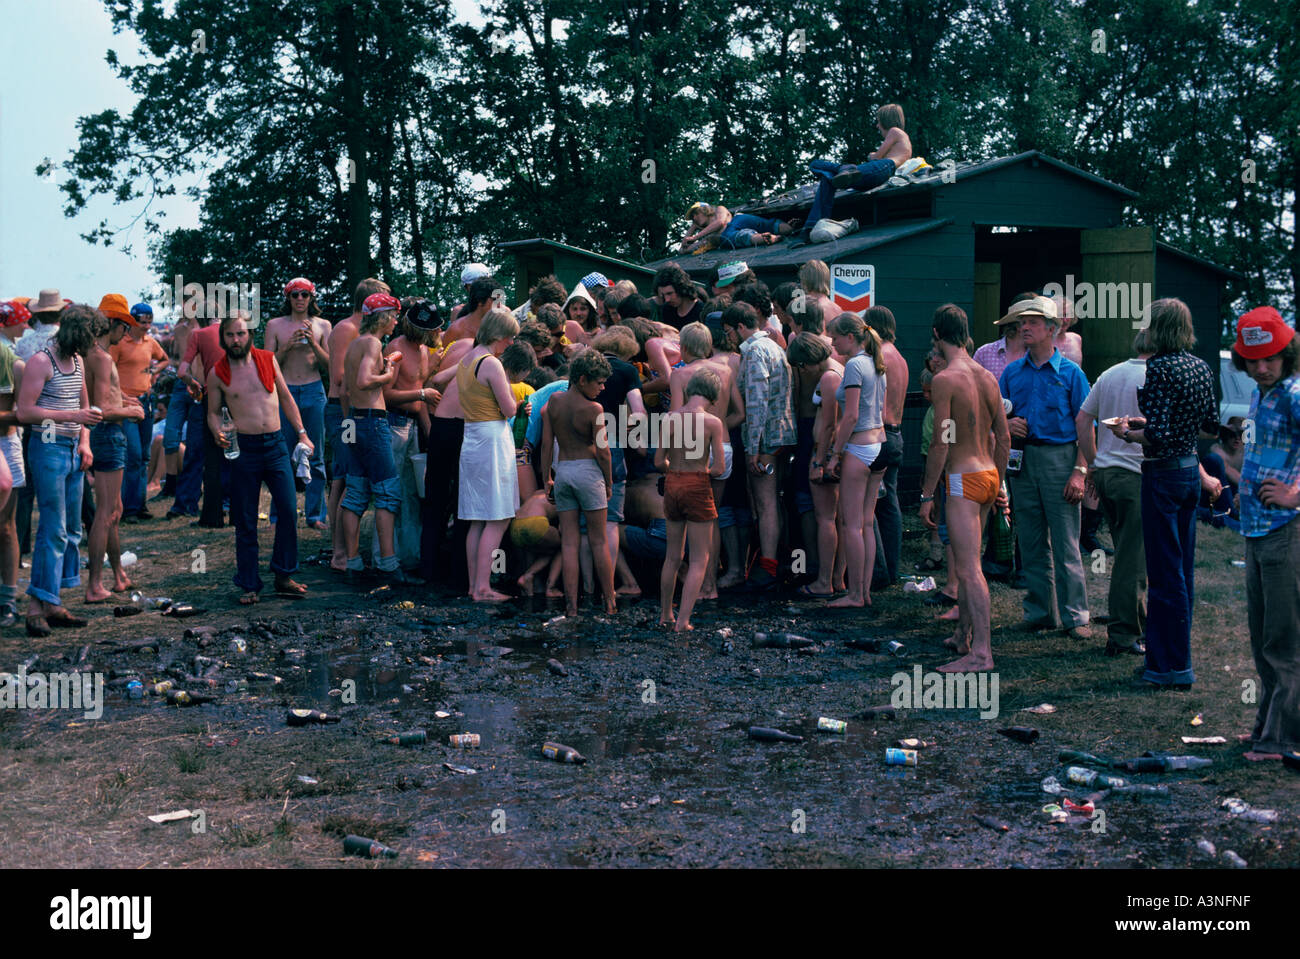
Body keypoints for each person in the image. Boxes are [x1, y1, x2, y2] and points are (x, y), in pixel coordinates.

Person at [1108, 298, 1219, 689]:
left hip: (1162, 477)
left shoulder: (1158, 368)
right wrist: (1153, 424)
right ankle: (1173, 659)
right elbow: (1209, 425)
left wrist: (1127, 433)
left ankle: (1167, 668)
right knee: (1182, 572)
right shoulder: (1200, 366)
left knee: (1163, 574)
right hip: (1190, 472)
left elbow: (1155, 436)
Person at [918, 303, 1009, 672]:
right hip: (987, 474)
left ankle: (982, 653)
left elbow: (941, 442)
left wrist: (926, 495)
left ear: (937, 335)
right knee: (971, 562)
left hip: (963, 478)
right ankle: (963, 636)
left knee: (969, 569)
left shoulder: (944, 380)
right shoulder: (987, 376)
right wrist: (1000, 483)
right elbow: (1002, 437)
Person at [1227, 306, 1300, 760]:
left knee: (1284, 638)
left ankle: (1284, 738)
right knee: (1263, 633)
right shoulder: (1261, 395)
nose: (1262, 366)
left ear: (1287, 353)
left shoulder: (1293, 393)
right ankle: (1266, 727)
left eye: (1270, 357)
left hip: (1285, 530)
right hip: (1256, 529)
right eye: (1253, 359)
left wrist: (1296, 495)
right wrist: (1243, 494)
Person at [999, 295, 1093, 639]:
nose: (1024, 327)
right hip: (1023, 463)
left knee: (1067, 542)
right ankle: (1040, 613)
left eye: (1033, 323)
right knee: (1032, 541)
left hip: (1060, 459)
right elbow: (999, 417)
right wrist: (1007, 426)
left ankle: (1076, 617)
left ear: (1052, 330)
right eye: (1021, 323)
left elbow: (1087, 427)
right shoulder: (1011, 373)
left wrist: (1080, 472)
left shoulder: (1072, 375)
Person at [206, 312, 312, 604]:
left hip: (276, 445)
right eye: (230, 335)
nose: (236, 339)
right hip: (244, 449)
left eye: (241, 333)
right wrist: (217, 431)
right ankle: (249, 584)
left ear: (249, 334)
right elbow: (213, 412)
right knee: (246, 519)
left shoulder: (267, 359)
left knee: (289, 511)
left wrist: (302, 433)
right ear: (223, 338)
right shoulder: (217, 372)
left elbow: (287, 397)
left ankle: (284, 574)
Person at [18, 304, 100, 637]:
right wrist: (74, 421)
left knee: (69, 529)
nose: (92, 345)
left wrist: (85, 442)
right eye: (89, 337)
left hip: (70, 448)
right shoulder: (42, 361)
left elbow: (84, 406)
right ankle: (36, 608)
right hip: (48, 447)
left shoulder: (77, 362)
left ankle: (51, 601)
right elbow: (25, 411)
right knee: (52, 529)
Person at [1076, 329, 1152, 657]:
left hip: (1107, 474)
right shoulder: (1156, 375)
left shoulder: (1110, 373)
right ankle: (1122, 634)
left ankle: (1134, 622)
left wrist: (1094, 462)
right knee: (1133, 561)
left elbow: (1082, 419)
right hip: (1135, 473)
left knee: (1127, 554)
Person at [339, 293, 419, 583]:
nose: (397, 321)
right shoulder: (373, 343)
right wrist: (387, 375)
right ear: (383, 316)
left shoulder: (353, 346)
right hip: (373, 422)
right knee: (387, 493)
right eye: (394, 315)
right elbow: (362, 381)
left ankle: (352, 562)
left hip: (354, 421)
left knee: (356, 493)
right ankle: (389, 565)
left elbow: (346, 389)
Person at [722, 302, 794, 589]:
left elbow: (756, 403)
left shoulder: (753, 352)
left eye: (728, 331)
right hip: (781, 434)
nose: (728, 337)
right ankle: (777, 561)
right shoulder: (775, 346)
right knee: (774, 502)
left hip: (765, 439)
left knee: (765, 503)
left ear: (740, 326)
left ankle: (768, 566)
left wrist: (752, 448)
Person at [670, 321, 741, 600]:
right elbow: (740, 413)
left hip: (693, 450)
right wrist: (719, 427)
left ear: (684, 346)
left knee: (693, 520)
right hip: (723, 445)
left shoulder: (680, 375)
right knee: (712, 517)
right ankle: (710, 583)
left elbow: (676, 419)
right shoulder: (725, 371)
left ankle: (705, 586)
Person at [542, 348, 615, 617]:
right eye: (599, 382)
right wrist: (608, 482)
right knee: (599, 541)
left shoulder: (555, 401)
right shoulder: (593, 408)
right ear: (583, 379)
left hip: (563, 472)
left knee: (569, 542)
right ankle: (610, 603)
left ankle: (571, 607)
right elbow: (604, 451)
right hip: (588, 473)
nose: (602, 387)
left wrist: (546, 478)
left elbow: (547, 444)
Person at [457, 307, 522, 602]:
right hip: (492, 438)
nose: (510, 343)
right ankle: (483, 587)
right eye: (509, 337)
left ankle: (474, 585)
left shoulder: (466, 360)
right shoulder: (491, 363)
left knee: (477, 518)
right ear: (498, 334)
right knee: (497, 517)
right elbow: (509, 409)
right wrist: (518, 401)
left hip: (471, 435)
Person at [85, 296, 146, 603]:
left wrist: (124, 400)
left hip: (106, 437)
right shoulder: (102, 357)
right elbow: (99, 409)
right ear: (111, 323)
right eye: (124, 326)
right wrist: (130, 412)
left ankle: (118, 575)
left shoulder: (92, 354)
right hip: (108, 435)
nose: (126, 334)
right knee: (105, 514)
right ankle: (95, 585)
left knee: (115, 511)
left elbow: (104, 396)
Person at [656, 367, 727, 632]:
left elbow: (657, 461)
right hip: (697, 485)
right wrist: (703, 471)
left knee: (673, 555)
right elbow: (719, 467)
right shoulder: (712, 423)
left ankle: (666, 614)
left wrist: (673, 466)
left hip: (673, 482)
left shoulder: (670, 418)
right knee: (699, 559)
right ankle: (683, 620)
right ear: (713, 396)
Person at [326, 278, 390, 568]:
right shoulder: (347, 330)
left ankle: (346, 553)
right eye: (386, 301)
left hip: (354, 410)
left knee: (350, 480)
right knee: (343, 481)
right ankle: (340, 553)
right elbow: (341, 381)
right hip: (345, 411)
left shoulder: (364, 336)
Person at [825, 312, 888, 608]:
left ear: (850, 337)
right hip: (880, 445)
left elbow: (849, 416)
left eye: (835, 337)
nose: (833, 342)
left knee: (851, 524)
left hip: (860, 447)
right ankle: (864, 592)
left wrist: (835, 454)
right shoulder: (877, 363)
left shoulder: (853, 365)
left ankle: (854, 594)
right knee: (865, 522)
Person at [378, 299, 443, 570]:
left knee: (414, 494)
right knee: (391, 492)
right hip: (394, 424)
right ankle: (385, 559)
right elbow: (384, 394)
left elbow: (422, 394)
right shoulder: (395, 349)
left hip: (415, 425)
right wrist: (420, 394)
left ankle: (410, 557)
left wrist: (429, 430)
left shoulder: (424, 350)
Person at [264, 278, 332, 531]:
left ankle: (315, 515)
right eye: (295, 295)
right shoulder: (275, 325)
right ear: (288, 298)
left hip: (314, 391)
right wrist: (288, 347)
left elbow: (331, 365)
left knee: (316, 455)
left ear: (312, 297)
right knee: (281, 456)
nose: (300, 299)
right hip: (285, 391)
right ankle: (280, 515)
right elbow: (267, 363)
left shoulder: (323, 325)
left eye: (305, 294)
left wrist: (313, 343)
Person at [788, 332, 844, 598]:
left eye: (801, 365)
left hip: (826, 451)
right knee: (840, 519)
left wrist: (820, 459)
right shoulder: (840, 370)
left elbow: (831, 422)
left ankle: (824, 581)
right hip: (837, 450)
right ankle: (837, 578)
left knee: (825, 519)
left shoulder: (829, 377)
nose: (802, 370)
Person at [802, 104, 911, 237]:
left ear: (885, 120)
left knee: (815, 164)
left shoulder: (894, 131)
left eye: (878, 121)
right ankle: (812, 227)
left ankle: (845, 169)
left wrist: (871, 155)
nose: (877, 126)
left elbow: (876, 157)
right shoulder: (902, 140)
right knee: (828, 179)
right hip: (880, 174)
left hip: (883, 166)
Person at [107, 301, 169, 524]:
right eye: (142, 323)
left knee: (143, 456)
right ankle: (129, 507)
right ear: (132, 322)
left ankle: (139, 504)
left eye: (149, 323)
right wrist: (120, 398)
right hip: (126, 403)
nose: (146, 327)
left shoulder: (149, 342)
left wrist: (154, 371)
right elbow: (109, 371)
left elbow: (164, 359)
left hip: (146, 401)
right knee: (132, 455)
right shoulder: (119, 344)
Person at [866, 305, 907, 589]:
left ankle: (877, 573)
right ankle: (891, 568)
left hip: (879, 435)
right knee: (889, 504)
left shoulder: (879, 356)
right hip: (897, 433)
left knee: (871, 505)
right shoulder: (900, 357)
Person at [0, 301, 28, 626]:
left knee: (6, 528)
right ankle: (7, 599)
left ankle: (7, 598)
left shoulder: (12, 360)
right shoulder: (12, 359)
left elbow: (23, 412)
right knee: (6, 529)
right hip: (7, 441)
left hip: (6, 443)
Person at [678, 202, 796, 252]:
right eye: (692, 218)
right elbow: (683, 250)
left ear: (704, 210)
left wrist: (696, 236)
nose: (694, 218)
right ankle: (768, 238)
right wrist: (692, 228)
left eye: (695, 214)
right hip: (728, 235)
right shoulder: (709, 236)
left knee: (766, 224)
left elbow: (720, 222)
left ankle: (790, 228)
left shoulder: (720, 209)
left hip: (737, 220)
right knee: (742, 237)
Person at [654, 264, 703, 330]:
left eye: (670, 293)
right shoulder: (667, 309)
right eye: (663, 295)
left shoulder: (701, 310)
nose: (667, 299)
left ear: (681, 289)